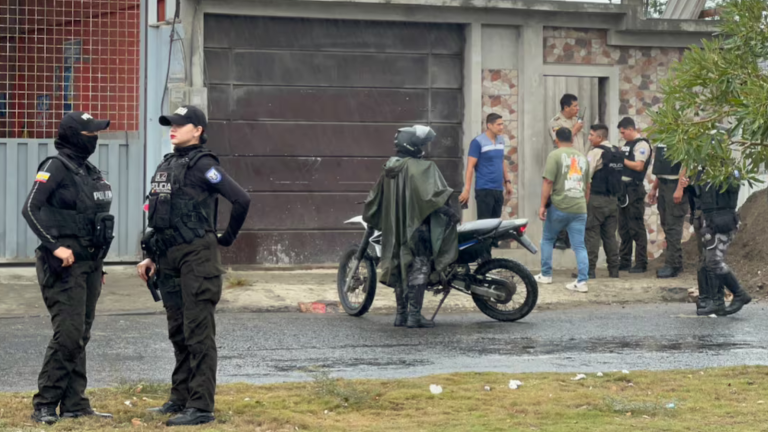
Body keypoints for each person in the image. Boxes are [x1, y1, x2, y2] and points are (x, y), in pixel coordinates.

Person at [137, 105, 251, 427]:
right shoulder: (168, 164)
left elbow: (241, 199)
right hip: (167, 257)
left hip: (197, 258)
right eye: (170, 124)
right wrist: (150, 256)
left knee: (199, 333)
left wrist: (224, 238)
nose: (173, 129)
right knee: (178, 331)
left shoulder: (204, 165)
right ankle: (180, 398)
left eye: (180, 124)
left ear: (197, 129)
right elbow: (159, 215)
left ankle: (201, 407)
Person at [22, 111, 115, 424]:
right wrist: (55, 246)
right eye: (89, 134)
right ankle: (45, 403)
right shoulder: (54, 167)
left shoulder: (88, 170)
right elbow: (30, 209)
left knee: (81, 334)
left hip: (90, 264)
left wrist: (98, 262)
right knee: (68, 335)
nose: (94, 138)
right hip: (62, 266)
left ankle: (75, 403)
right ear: (74, 135)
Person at [363, 125, 459, 328]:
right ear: (413, 145)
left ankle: (401, 315)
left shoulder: (390, 166)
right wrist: (450, 213)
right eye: (422, 144)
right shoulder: (422, 168)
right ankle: (414, 316)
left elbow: (374, 199)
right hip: (418, 228)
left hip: (394, 230)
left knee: (399, 266)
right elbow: (433, 198)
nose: (424, 148)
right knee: (419, 269)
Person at [535, 127, 591, 293]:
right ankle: (582, 282)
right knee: (579, 246)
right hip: (579, 207)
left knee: (547, 239)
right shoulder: (582, 157)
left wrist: (542, 206)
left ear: (556, 140)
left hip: (560, 205)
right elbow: (588, 186)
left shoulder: (555, 155)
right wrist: (583, 204)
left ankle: (546, 274)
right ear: (572, 140)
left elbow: (548, 182)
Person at [690, 171, 751, 316]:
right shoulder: (704, 170)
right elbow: (700, 196)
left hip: (723, 220)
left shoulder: (729, 169)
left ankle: (739, 294)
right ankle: (717, 302)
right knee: (709, 262)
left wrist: (719, 175)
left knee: (714, 261)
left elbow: (733, 187)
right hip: (709, 220)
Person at [458, 113, 514, 220]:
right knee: (484, 227)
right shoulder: (477, 142)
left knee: (495, 225)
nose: (501, 127)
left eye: (502, 124)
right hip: (484, 189)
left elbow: (501, 161)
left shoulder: (501, 141)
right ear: (489, 125)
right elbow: (470, 167)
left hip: (498, 189)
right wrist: (467, 190)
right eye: (498, 125)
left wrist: (507, 182)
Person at [583, 124, 620, 279]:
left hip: (597, 199)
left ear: (599, 137)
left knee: (592, 235)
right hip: (613, 200)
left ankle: (589, 270)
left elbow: (586, 175)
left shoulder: (596, 152)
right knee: (610, 237)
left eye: (591, 135)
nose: (589, 138)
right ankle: (614, 270)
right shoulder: (617, 151)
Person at [549, 94, 585, 250]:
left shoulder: (576, 121)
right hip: (565, 165)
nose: (577, 109)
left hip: (579, 165)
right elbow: (559, 139)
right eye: (575, 106)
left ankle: (573, 236)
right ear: (566, 107)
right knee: (563, 200)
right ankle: (560, 237)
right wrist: (574, 130)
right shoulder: (556, 122)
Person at [647, 143, 688, 278]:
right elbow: (661, 168)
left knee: (673, 226)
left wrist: (680, 189)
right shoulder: (664, 141)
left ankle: (673, 265)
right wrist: (654, 188)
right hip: (664, 184)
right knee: (666, 225)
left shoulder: (682, 139)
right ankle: (675, 262)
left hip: (675, 185)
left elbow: (687, 164)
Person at [617, 117, 651, 274]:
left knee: (636, 226)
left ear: (631, 129)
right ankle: (624, 261)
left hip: (634, 189)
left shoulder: (641, 145)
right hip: (623, 189)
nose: (622, 135)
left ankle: (641, 262)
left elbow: (638, 166)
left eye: (624, 132)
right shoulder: (627, 145)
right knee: (623, 228)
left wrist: (621, 160)